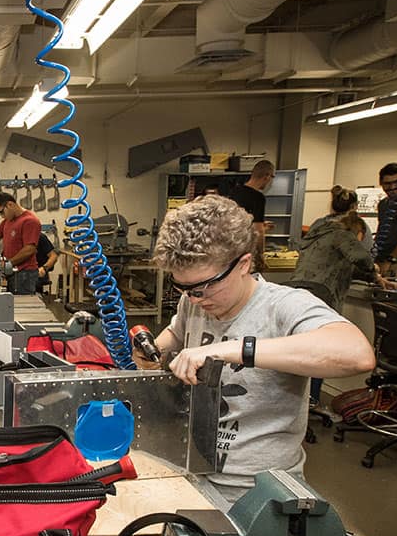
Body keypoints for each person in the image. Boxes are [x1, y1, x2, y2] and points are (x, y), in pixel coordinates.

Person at [141, 196, 375, 501]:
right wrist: (153, 349)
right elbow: (175, 331)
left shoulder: (284, 305)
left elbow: (356, 354)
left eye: (204, 287)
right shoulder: (194, 301)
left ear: (244, 264)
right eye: (183, 287)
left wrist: (234, 350)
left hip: (256, 495)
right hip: (191, 474)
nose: (194, 298)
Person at [291, 186, 393, 407]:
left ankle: (301, 400)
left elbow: (337, 267)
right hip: (321, 296)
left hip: (296, 293)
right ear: (357, 232)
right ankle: (312, 400)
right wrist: (376, 274)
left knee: (300, 350)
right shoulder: (343, 235)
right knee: (321, 352)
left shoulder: (319, 232)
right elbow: (362, 259)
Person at [0, 191, 41, 295]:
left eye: (2, 212)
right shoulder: (8, 221)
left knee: (22, 307)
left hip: (25, 274)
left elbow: (30, 249)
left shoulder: (30, 221)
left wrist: (9, 263)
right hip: (13, 273)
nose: (1, 216)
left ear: (10, 204)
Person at [226, 159, 275, 270]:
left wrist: (262, 225)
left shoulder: (234, 191)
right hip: (245, 250)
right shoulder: (258, 198)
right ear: (267, 176)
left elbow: (237, 221)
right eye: (272, 177)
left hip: (230, 248)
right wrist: (260, 255)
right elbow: (258, 231)